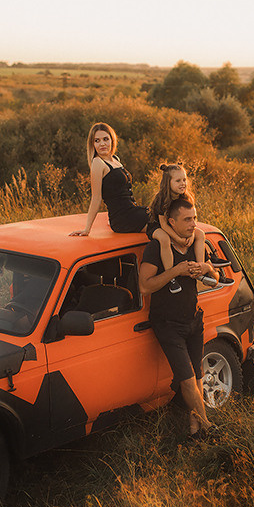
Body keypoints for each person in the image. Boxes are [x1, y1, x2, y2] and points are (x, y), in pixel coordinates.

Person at [138, 197, 219, 438]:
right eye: (187, 219)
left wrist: (207, 269)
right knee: (186, 379)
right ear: (171, 222)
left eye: (194, 218)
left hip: (194, 319)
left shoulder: (196, 245)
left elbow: (213, 280)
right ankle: (208, 427)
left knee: (198, 375)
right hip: (167, 324)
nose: (193, 223)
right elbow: (144, 286)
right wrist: (176, 271)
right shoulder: (155, 248)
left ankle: (194, 431)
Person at [70, 122, 150, 236]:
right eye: (97, 140)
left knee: (163, 216)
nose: (102, 144)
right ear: (92, 144)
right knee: (163, 222)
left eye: (105, 139)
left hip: (132, 212)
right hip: (123, 220)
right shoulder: (98, 163)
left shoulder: (115, 159)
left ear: (112, 140)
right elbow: (96, 198)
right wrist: (87, 229)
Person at [148, 164, 208, 294]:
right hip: (158, 226)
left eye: (184, 180)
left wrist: (190, 236)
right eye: (178, 181)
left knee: (200, 234)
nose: (183, 184)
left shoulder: (186, 197)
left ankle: (200, 268)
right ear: (168, 183)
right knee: (164, 239)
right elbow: (163, 225)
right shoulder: (162, 199)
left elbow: (193, 220)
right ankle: (172, 278)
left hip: (174, 225)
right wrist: (179, 239)